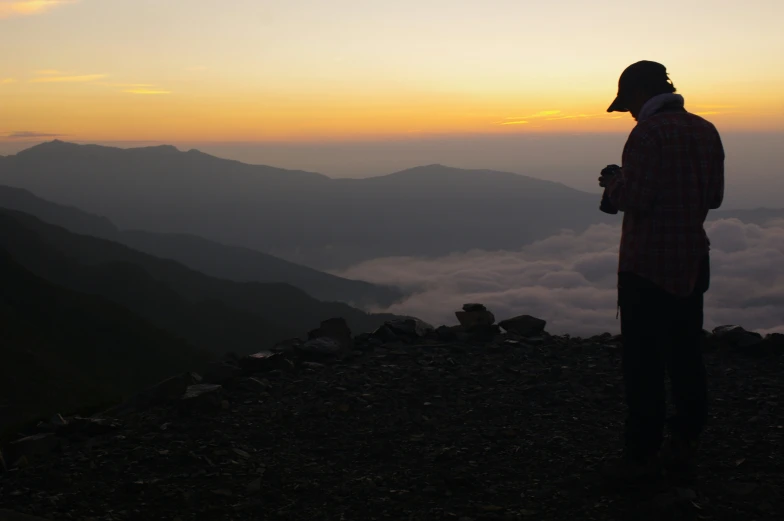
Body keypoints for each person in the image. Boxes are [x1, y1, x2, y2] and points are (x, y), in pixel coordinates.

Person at [598, 60, 725, 483]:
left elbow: (637, 197)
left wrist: (614, 182)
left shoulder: (646, 133)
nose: (629, 114)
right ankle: (685, 440)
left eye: (628, 105)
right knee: (687, 356)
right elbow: (715, 196)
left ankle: (641, 456)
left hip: (647, 266)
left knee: (643, 364)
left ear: (638, 94)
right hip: (691, 260)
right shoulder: (706, 129)